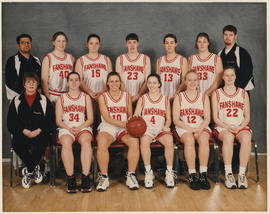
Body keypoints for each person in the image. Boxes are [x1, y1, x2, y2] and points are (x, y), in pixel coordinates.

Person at [7, 72, 54, 189]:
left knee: (43, 142)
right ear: (24, 85)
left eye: (34, 82)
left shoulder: (44, 100)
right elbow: (11, 122)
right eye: (28, 82)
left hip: (39, 133)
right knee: (16, 143)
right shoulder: (16, 100)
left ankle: (28, 170)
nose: (31, 84)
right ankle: (33, 168)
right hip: (23, 133)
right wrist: (24, 131)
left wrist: (39, 130)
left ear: (37, 84)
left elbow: (50, 121)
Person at [96, 71, 140, 191]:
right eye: (111, 81)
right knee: (102, 142)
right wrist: (123, 123)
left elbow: (130, 115)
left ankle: (130, 175)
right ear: (107, 83)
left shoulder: (126, 96)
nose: (114, 83)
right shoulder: (102, 97)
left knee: (135, 142)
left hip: (124, 127)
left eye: (116, 81)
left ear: (120, 83)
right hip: (108, 126)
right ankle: (104, 177)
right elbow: (106, 118)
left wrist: (131, 123)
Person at [211, 66, 252, 189]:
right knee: (228, 138)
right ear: (222, 77)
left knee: (246, 138)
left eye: (232, 75)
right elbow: (215, 118)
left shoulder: (243, 93)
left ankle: (241, 174)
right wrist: (227, 127)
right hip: (222, 127)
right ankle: (229, 173)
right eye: (226, 75)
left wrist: (240, 127)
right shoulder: (217, 93)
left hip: (240, 126)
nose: (229, 78)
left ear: (235, 76)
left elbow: (247, 117)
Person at [55, 71, 94, 193]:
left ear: (80, 82)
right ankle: (70, 178)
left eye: (77, 79)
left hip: (83, 127)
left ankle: (85, 177)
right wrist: (68, 128)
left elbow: (91, 119)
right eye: (71, 80)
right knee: (66, 143)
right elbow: (58, 120)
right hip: (66, 127)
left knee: (86, 142)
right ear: (67, 83)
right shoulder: (61, 98)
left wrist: (81, 126)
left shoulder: (85, 97)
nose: (74, 82)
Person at [134, 73, 175, 188]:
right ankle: (148, 171)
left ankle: (169, 172)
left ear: (159, 84)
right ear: (147, 84)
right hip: (147, 129)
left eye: (154, 83)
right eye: (149, 83)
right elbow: (136, 116)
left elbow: (169, 119)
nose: (152, 85)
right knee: (144, 141)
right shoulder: (143, 98)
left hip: (160, 129)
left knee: (169, 141)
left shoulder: (165, 99)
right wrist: (139, 126)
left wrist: (166, 126)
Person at [173, 70, 211, 190]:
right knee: (189, 140)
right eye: (189, 80)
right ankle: (192, 174)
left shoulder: (203, 97)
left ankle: (203, 175)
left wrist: (199, 128)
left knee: (204, 139)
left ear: (198, 81)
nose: (192, 82)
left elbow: (207, 118)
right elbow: (176, 120)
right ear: (185, 81)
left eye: (195, 80)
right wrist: (190, 129)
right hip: (184, 127)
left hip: (200, 126)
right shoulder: (179, 97)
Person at [75, 34, 112, 136]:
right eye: (91, 43)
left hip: (104, 95)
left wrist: (102, 92)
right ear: (87, 44)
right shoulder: (81, 60)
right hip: (87, 95)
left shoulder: (106, 59)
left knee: (103, 122)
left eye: (96, 43)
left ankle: (101, 144)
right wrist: (90, 92)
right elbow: (79, 80)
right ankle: (91, 146)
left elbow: (111, 79)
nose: (94, 46)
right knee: (88, 121)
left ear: (99, 45)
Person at [115, 33, 151, 103]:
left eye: (134, 42)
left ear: (138, 44)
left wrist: (138, 95)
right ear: (126, 44)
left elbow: (147, 80)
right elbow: (118, 80)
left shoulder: (145, 58)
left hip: (141, 96)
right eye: (129, 43)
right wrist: (127, 95)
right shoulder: (120, 59)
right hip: (124, 96)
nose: (132, 45)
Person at [5, 34, 41, 101]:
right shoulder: (12, 60)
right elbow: (11, 82)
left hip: (36, 98)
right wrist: (28, 93)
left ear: (31, 44)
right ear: (18, 46)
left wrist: (38, 92)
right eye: (23, 43)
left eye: (28, 42)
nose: (26, 45)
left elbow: (41, 79)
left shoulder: (37, 60)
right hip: (18, 98)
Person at [218, 25, 255, 92]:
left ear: (235, 36)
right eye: (226, 35)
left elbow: (247, 74)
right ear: (222, 36)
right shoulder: (220, 54)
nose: (228, 37)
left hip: (241, 90)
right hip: (225, 91)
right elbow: (219, 75)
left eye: (231, 35)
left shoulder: (242, 53)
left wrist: (236, 91)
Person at [41, 31, 74, 104]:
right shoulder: (48, 58)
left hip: (68, 94)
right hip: (53, 95)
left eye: (63, 41)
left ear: (66, 42)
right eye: (58, 41)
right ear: (53, 42)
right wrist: (47, 98)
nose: (61, 44)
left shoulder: (71, 58)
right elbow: (44, 81)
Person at [156, 33, 188, 101]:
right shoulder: (160, 60)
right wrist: (158, 95)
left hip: (176, 96)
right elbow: (156, 80)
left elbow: (184, 81)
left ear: (175, 44)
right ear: (164, 44)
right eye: (167, 43)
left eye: (171, 43)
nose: (169, 45)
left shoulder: (182, 60)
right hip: (161, 96)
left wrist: (176, 93)